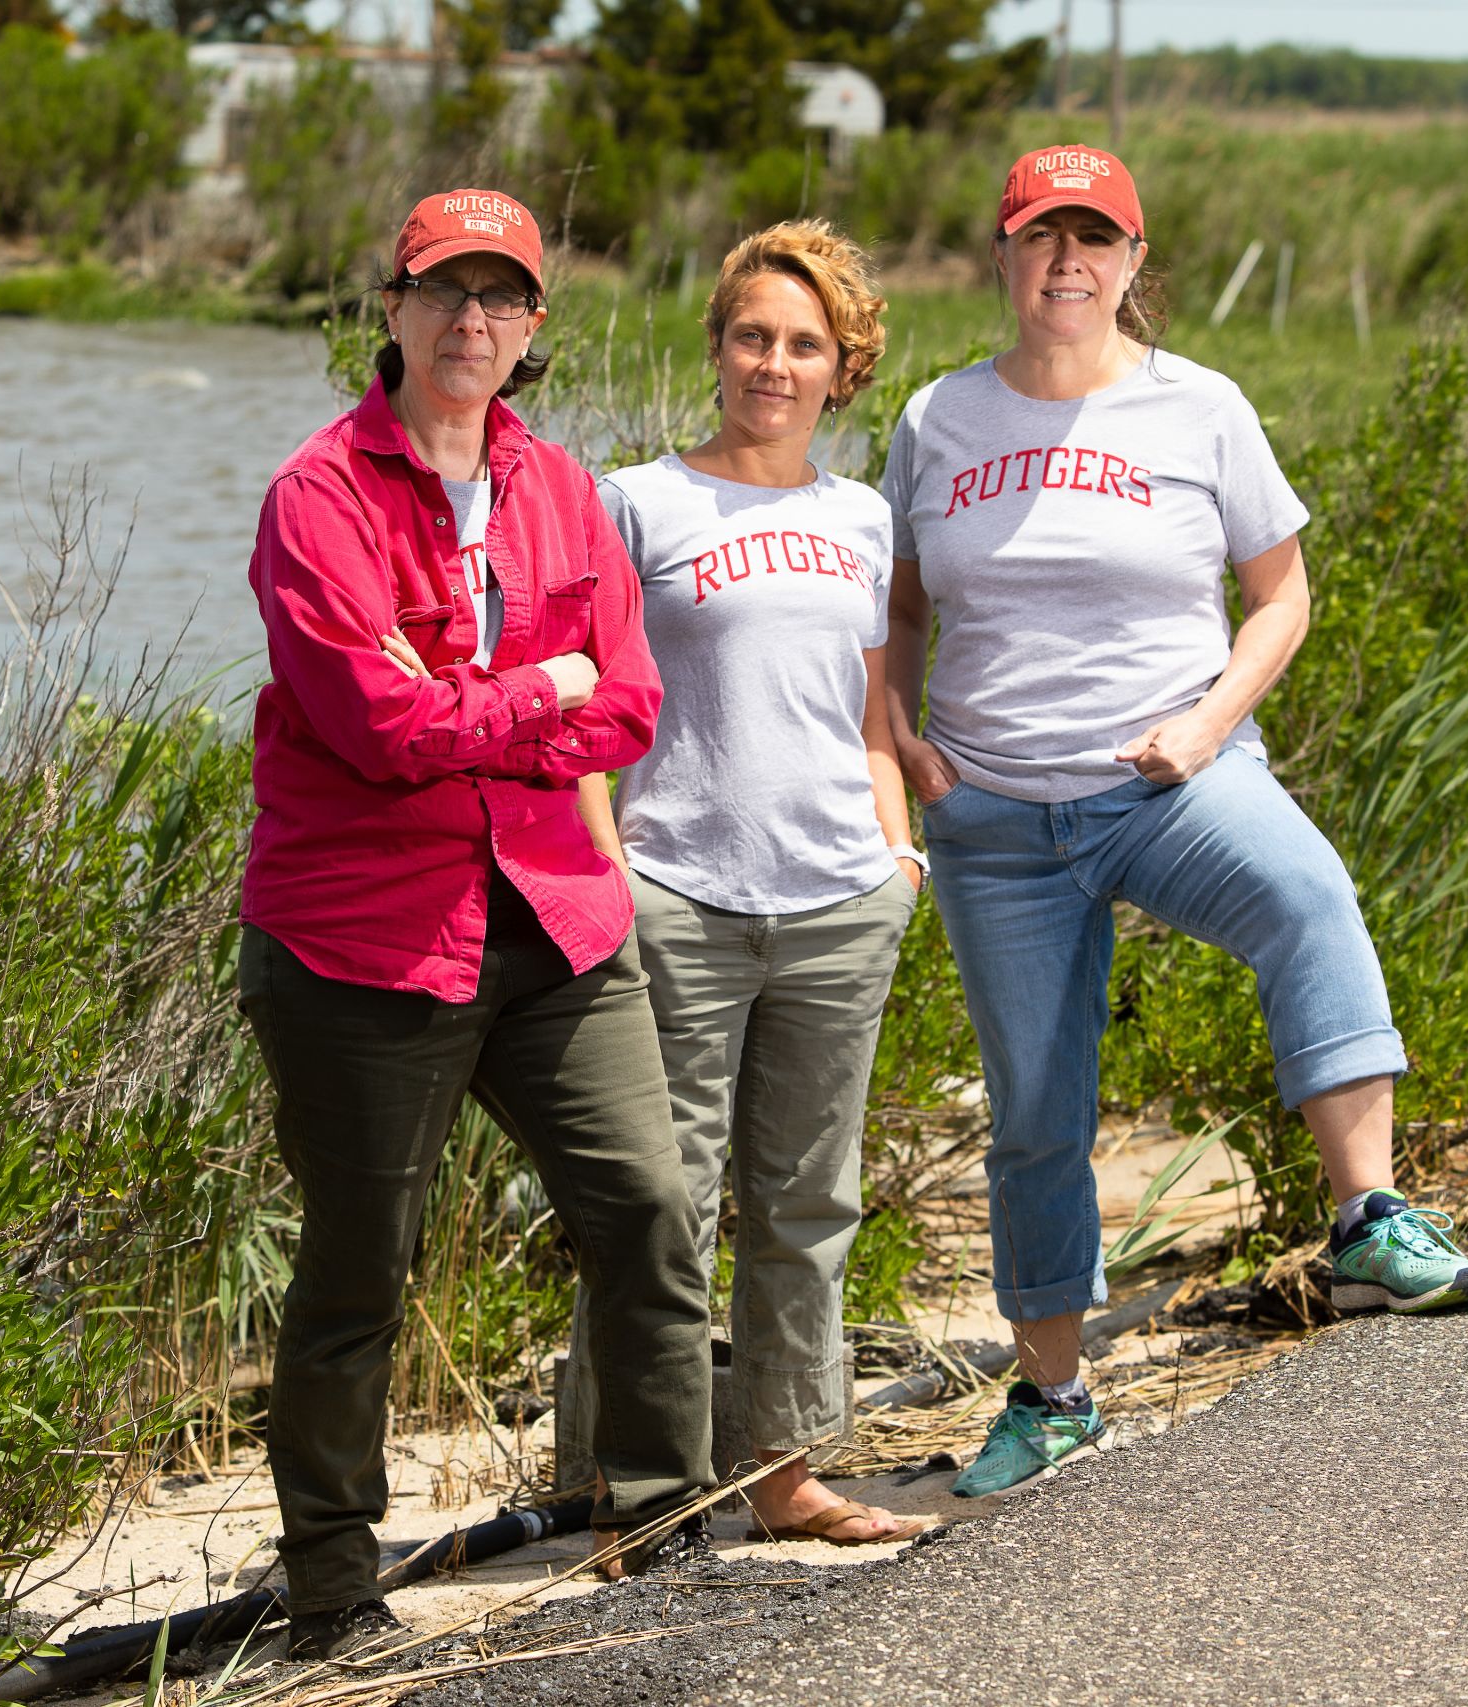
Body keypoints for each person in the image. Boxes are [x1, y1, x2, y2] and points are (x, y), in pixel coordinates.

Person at [880, 146, 1468, 1499]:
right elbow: (902, 603)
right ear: (1002, 256)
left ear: (1135, 263)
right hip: (992, 809)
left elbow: (1282, 596)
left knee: (1307, 895)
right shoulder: (937, 418)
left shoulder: (1201, 407)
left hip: (1172, 780)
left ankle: (1368, 1218)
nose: (1068, 264)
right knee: (1038, 1111)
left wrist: (1210, 724)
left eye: (1096, 242)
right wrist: (902, 737)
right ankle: (1052, 1398)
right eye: (1043, 239)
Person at [238, 186, 714, 1659]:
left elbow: (628, 700)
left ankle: (666, 1525)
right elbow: (376, 733)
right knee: (359, 1268)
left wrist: (491, 704)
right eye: (445, 292)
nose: (472, 323)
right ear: (392, 309)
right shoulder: (320, 498)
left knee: (646, 1204)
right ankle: (330, 1586)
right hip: (366, 939)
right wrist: (536, 694)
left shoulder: (567, 493)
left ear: (534, 331)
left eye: (503, 299)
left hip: (556, 919)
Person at [571, 220, 927, 1546]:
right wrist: (613, 876)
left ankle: (786, 1477)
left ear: (845, 369)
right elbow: (594, 714)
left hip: (840, 903)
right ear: (717, 345)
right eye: (752, 336)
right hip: (679, 899)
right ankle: (626, 1483)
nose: (773, 364)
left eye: (804, 345)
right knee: (657, 1204)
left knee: (807, 1203)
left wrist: (898, 856)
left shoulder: (862, 517)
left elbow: (874, 708)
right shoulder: (638, 501)